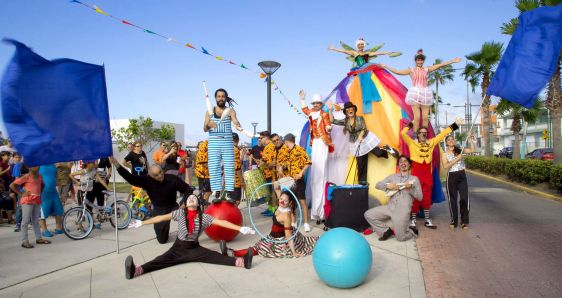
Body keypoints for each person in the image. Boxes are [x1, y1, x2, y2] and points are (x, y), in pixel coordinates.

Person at [124, 193, 255, 279]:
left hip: (194, 248)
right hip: (178, 248)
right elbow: (161, 217)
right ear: (186, 204)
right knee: (160, 260)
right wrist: (142, 222)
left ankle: (243, 262)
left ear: (198, 204)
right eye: (189, 198)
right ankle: (136, 271)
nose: (192, 199)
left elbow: (222, 222)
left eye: (194, 198)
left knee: (214, 256)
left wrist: (241, 228)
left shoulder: (204, 217)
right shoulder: (180, 213)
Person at [220, 184, 318, 258]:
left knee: (259, 249)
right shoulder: (281, 204)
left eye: (285, 201)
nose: (282, 201)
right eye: (281, 199)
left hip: (280, 240)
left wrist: (294, 252)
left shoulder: (286, 216)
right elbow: (277, 188)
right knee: (257, 247)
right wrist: (276, 183)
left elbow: (288, 236)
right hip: (272, 236)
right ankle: (231, 252)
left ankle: (231, 253)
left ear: (290, 203)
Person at [109, 157, 192, 244]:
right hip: (160, 209)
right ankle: (164, 229)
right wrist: (117, 165)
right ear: (150, 175)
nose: (160, 176)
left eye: (160, 172)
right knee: (162, 240)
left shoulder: (172, 178)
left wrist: (184, 203)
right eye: (156, 175)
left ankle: (190, 231)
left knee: (190, 210)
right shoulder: (147, 180)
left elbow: (188, 190)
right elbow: (130, 178)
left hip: (173, 206)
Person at [400, 118, 462, 229]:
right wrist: (411, 124)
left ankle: (427, 220)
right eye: (421, 133)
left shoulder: (431, 142)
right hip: (416, 174)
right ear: (418, 134)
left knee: (426, 196)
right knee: (415, 196)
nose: (424, 134)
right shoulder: (412, 143)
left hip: (427, 174)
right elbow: (403, 133)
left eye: (425, 133)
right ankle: (413, 221)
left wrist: (455, 124)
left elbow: (443, 134)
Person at [381, 49, 461, 133]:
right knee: (417, 117)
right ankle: (416, 135)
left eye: (421, 59)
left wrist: (452, 61)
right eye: (418, 59)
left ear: (423, 61)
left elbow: (439, 65)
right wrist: (386, 66)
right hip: (415, 93)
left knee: (425, 117)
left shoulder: (426, 69)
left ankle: (424, 134)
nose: (420, 61)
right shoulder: (411, 70)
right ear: (415, 60)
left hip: (425, 93)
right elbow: (398, 72)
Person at [327, 101, 399, 183]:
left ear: (354, 110)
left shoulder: (359, 118)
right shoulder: (345, 121)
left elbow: (363, 128)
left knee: (378, 153)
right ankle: (362, 183)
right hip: (355, 143)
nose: (350, 111)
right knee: (361, 164)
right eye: (348, 110)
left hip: (365, 139)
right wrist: (330, 109)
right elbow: (332, 121)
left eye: (351, 109)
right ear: (346, 112)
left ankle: (386, 148)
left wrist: (360, 136)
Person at [364, 155, 422, 241]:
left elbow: (420, 197)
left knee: (400, 238)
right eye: (401, 161)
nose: (403, 163)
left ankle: (412, 230)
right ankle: (386, 231)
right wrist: (388, 186)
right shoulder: (392, 177)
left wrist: (409, 188)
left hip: (402, 212)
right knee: (368, 214)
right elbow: (377, 185)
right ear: (398, 165)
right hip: (389, 208)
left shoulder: (414, 179)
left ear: (409, 164)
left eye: (405, 161)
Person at [203, 88, 244, 202]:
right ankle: (216, 193)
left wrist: (237, 124)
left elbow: (235, 121)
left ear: (226, 98)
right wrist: (208, 124)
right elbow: (204, 128)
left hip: (227, 141)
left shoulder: (230, 111)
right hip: (214, 142)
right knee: (214, 167)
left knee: (229, 166)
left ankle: (229, 193)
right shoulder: (209, 111)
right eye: (219, 96)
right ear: (215, 98)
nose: (221, 98)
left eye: (223, 96)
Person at [299, 90, 333, 224]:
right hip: (315, 143)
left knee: (322, 173)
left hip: (323, 142)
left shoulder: (324, 114)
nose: (317, 105)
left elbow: (329, 124)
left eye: (318, 103)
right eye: (315, 103)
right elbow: (304, 109)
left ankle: (323, 211)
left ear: (321, 104)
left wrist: (329, 128)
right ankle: (316, 212)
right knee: (315, 175)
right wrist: (302, 99)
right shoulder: (312, 112)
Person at [10, 166, 52, 248]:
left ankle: (38, 238)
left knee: (35, 220)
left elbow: (42, 185)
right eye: (35, 166)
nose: (37, 167)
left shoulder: (40, 176)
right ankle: (24, 241)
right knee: (25, 221)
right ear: (30, 168)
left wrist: (39, 194)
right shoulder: (26, 176)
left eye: (38, 165)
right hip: (27, 200)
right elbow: (12, 185)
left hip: (37, 200)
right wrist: (21, 194)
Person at [278, 133, 312, 232]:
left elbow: (308, 162)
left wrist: (301, 172)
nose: (284, 143)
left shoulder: (300, 150)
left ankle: (305, 223)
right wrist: (280, 168)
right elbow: (281, 163)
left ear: (287, 141)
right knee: (291, 202)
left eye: (284, 141)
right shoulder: (285, 151)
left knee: (302, 201)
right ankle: (294, 221)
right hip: (288, 180)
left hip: (298, 180)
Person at [441, 134, 475, 229]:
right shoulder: (444, 154)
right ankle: (454, 220)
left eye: (452, 139)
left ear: (454, 141)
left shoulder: (460, 150)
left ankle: (464, 221)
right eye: (449, 140)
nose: (451, 141)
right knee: (452, 199)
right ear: (446, 143)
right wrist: (457, 159)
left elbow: (472, 150)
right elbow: (445, 166)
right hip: (451, 176)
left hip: (461, 175)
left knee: (464, 198)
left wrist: (470, 139)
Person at [70, 161, 110, 229]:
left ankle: (91, 224)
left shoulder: (94, 171)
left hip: (89, 191)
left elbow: (100, 180)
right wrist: (77, 182)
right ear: (88, 164)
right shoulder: (83, 171)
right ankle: (80, 225)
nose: (95, 164)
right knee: (82, 208)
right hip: (82, 192)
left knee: (89, 208)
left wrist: (107, 187)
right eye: (93, 163)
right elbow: (71, 175)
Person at [38, 164, 64, 237]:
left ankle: (58, 228)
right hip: (44, 192)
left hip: (53, 192)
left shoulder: (53, 165)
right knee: (44, 211)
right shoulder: (38, 165)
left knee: (58, 210)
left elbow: (56, 177)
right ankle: (44, 230)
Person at [258, 131, 278, 215]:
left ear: (266, 137)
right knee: (270, 192)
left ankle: (273, 210)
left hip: (272, 174)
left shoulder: (270, 146)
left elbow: (271, 161)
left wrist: (261, 164)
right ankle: (270, 208)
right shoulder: (267, 147)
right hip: (268, 173)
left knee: (273, 192)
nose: (259, 139)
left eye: (261, 138)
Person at [231, 133, 244, 206]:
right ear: (238, 140)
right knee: (236, 201)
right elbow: (237, 167)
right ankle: (232, 216)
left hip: (229, 179)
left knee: (231, 200)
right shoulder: (235, 150)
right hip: (235, 180)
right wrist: (241, 180)